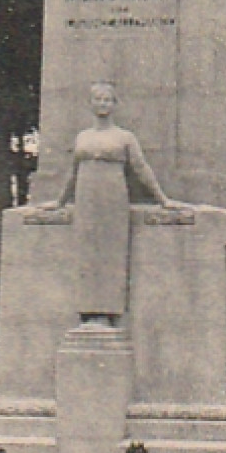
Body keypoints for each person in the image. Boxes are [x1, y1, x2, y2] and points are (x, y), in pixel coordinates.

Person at [53, 81, 177, 328]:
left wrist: (162, 200)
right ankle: (87, 311)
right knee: (88, 252)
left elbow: (141, 169)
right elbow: (72, 172)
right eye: (98, 99)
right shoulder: (83, 137)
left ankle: (108, 311)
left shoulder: (124, 137)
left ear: (115, 104)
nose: (102, 104)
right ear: (90, 103)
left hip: (112, 197)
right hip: (86, 197)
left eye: (107, 99)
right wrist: (59, 202)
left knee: (110, 251)